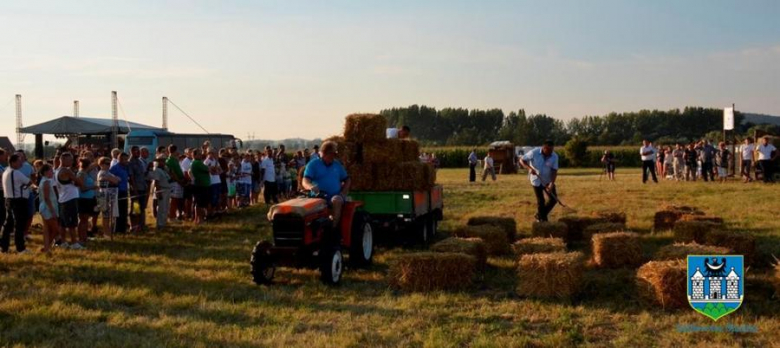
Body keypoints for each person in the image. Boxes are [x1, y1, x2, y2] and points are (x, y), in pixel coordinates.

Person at [302, 141, 350, 225]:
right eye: (331, 154)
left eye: (334, 154)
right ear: (323, 153)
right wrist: (310, 186)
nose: (333, 157)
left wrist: (343, 193)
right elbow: (305, 180)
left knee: (336, 200)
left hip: (334, 196)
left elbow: (347, 180)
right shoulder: (313, 164)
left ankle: (333, 227)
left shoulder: (337, 165)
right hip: (317, 196)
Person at [520, 140, 559, 222]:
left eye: (552, 150)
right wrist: (529, 169)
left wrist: (552, 183)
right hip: (536, 180)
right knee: (541, 201)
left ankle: (540, 215)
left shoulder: (554, 156)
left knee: (553, 199)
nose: (550, 152)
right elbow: (522, 160)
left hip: (547, 180)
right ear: (544, 148)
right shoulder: (534, 152)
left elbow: (554, 171)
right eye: (549, 150)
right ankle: (543, 220)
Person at [1, 154, 30, 254]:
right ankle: (20, 248)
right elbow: (28, 182)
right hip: (18, 201)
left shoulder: (6, 171)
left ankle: (4, 247)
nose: (21, 163)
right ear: (13, 162)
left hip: (8, 199)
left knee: (8, 224)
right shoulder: (16, 172)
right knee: (19, 225)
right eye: (19, 161)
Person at [57, 153, 84, 249]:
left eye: (72, 160)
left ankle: (63, 241)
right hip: (69, 199)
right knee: (72, 223)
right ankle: (74, 243)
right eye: (69, 160)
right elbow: (80, 183)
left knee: (63, 223)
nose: (71, 162)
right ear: (63, 160)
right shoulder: (66, 171)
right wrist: (78, 178)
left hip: (62, 198)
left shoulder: (57, 170)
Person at [77, 158, 99, 244]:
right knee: (83, 219)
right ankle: (81, 238)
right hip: (83, 199)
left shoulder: (86, 173)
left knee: (85, 220)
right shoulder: (82, 174)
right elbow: (82, 188)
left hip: (89, 198)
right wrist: (92, 187)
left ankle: (85, 237)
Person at [97, 157, 120, 238]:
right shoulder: (102, 173)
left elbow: (118, 179)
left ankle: (108, 232)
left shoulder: (108, 172)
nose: (108, 165)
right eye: (106, 163)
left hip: (110, 196)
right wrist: (113, 179)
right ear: (101, 164)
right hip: (103, 196)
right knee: (105, 216)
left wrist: (112, 178)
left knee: (109, 216)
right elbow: (115, 180)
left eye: (109, 163)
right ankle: (106, 233)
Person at [128, 146, 149, 233]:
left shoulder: (139, 162)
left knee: (142, 207)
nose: (138, 153)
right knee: (136, 208)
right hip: (136, 189)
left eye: (138, 151)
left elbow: (143, 174)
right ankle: (134, 226)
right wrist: (135, 189)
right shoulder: (130, 163)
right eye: (136, 151)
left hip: (143, 187)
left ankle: (141, 225)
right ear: (132, 152)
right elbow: (131, 177)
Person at [38, 164, 59, 252]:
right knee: (55, 229)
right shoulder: (46, 182)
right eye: (51, 171)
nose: (53, 173)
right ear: (46, 172)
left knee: (47, 229)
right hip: (48, 208)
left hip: (44, 207)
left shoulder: (44, 181)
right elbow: (47, 198)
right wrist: (52, 211)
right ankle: (47, 246)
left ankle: (46, 248)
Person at [148, 157, 171, 229]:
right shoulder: (157, 170)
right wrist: (158, 192)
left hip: (167, 189)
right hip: (162, 189)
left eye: (164, 161)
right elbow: (156, 182)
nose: (164, 162)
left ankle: (164, 222)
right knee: (162, 208)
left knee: (166, 207)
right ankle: (160, 224)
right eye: (162, 161)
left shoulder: (163, 170)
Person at [110, 153, 130, 234]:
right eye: (124, 159)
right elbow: (110, 177)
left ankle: (123, 229)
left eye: (126, 159)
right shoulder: (115, 168)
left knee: (124, 211)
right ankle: (117, 229)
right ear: (119, 159)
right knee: (118, 211)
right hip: (117, 191)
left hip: (124, 190)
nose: (126, 161)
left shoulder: (125, 168)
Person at [189, 149, 211, 224]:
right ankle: (199, 220)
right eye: (198, 154)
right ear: (194, 155)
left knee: (200, 203)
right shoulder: (197, 162)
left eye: (200, 154)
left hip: (202, 185)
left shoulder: (197, 162)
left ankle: (197, 219)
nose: (200, 155)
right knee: (199, 204)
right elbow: (208, 169)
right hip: (200, 185)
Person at [166, 145, 185, 220]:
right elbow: (172, 173)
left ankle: (174, 215)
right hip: (174, 182)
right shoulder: (169, 160)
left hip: (178, 181)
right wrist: (179, 181)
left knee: (176, 199)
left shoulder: (174, 160)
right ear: (175, 151)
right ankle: (172, 216)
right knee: (173, 200)